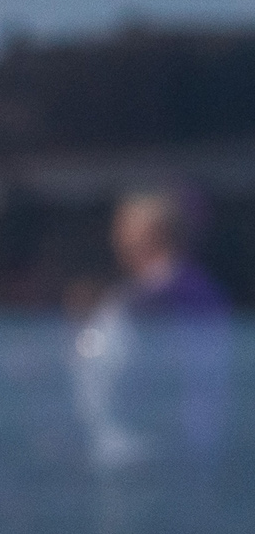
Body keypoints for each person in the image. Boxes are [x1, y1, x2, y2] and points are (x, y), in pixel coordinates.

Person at [73, 185, 231, 473]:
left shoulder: (163, 295)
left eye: (123, 228)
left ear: (150, 233)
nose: (115, 237)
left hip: (152, 455)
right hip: (154, 450)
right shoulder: (163, 291)